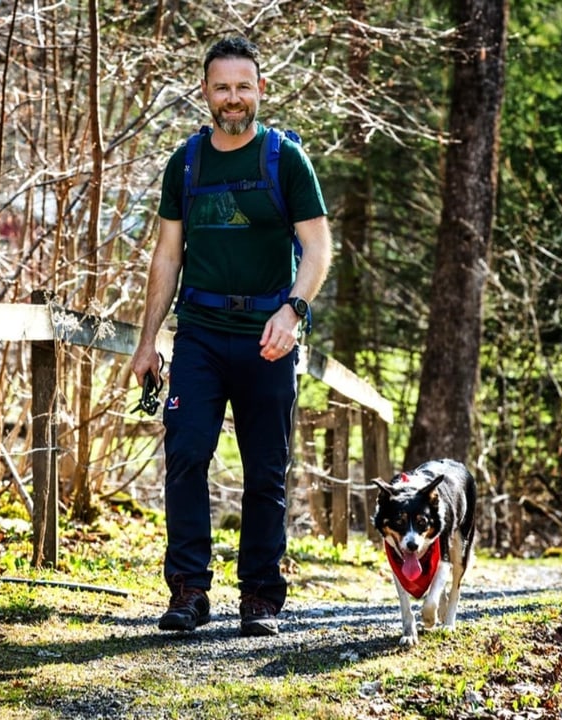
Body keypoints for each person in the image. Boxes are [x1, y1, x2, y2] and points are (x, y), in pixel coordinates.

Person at [130, 35, 332, 637]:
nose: (234, 98)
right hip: (200, 332)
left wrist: (293, 311)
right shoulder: (186, 163)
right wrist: (148, 341)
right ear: (206, 93)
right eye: (222, 87)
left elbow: (318, 248)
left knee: (266, 468)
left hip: (269, 337)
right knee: (187, 452)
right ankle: (189, 591)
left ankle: (261, 597)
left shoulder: (285, 160)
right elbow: (167, 257)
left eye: (244, 86)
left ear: (259, 90)